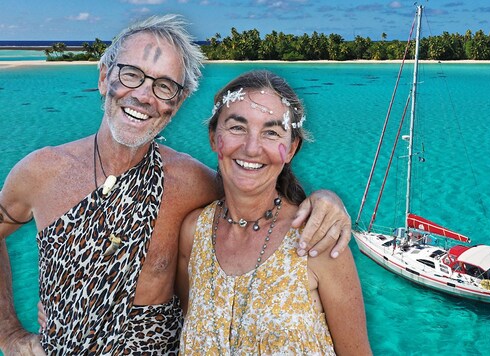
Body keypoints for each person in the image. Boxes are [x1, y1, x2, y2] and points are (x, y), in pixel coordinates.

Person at [0, 15, 351, 354]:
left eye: (164, 86)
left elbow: (256, 191)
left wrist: (325, 199)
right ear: (105, 77)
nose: (143, 95)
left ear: (178, 102)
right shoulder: (40, 172)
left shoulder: (191, 181)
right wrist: (9, 331)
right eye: (131, 74)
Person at [177, 70, 371, 355]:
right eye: (237, 128)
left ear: (291, 149)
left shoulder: (316, 239)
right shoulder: (194, 233)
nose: (252, 148)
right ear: (213, 137)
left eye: (271, 132)